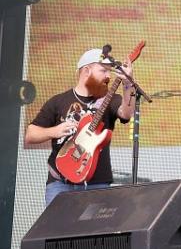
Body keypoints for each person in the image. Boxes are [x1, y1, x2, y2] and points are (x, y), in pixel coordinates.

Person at [25, 48, 135, 205]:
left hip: (97, 185)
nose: (108, 76)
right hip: (59, 184)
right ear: (86, 71)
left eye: (109, 71)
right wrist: (54, 131)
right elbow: (31, 134)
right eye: (103, 70)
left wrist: (128, 82)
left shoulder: (110, 100)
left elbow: (126, 113)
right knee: (57, 229)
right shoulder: (58, 101)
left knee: (96, 230)